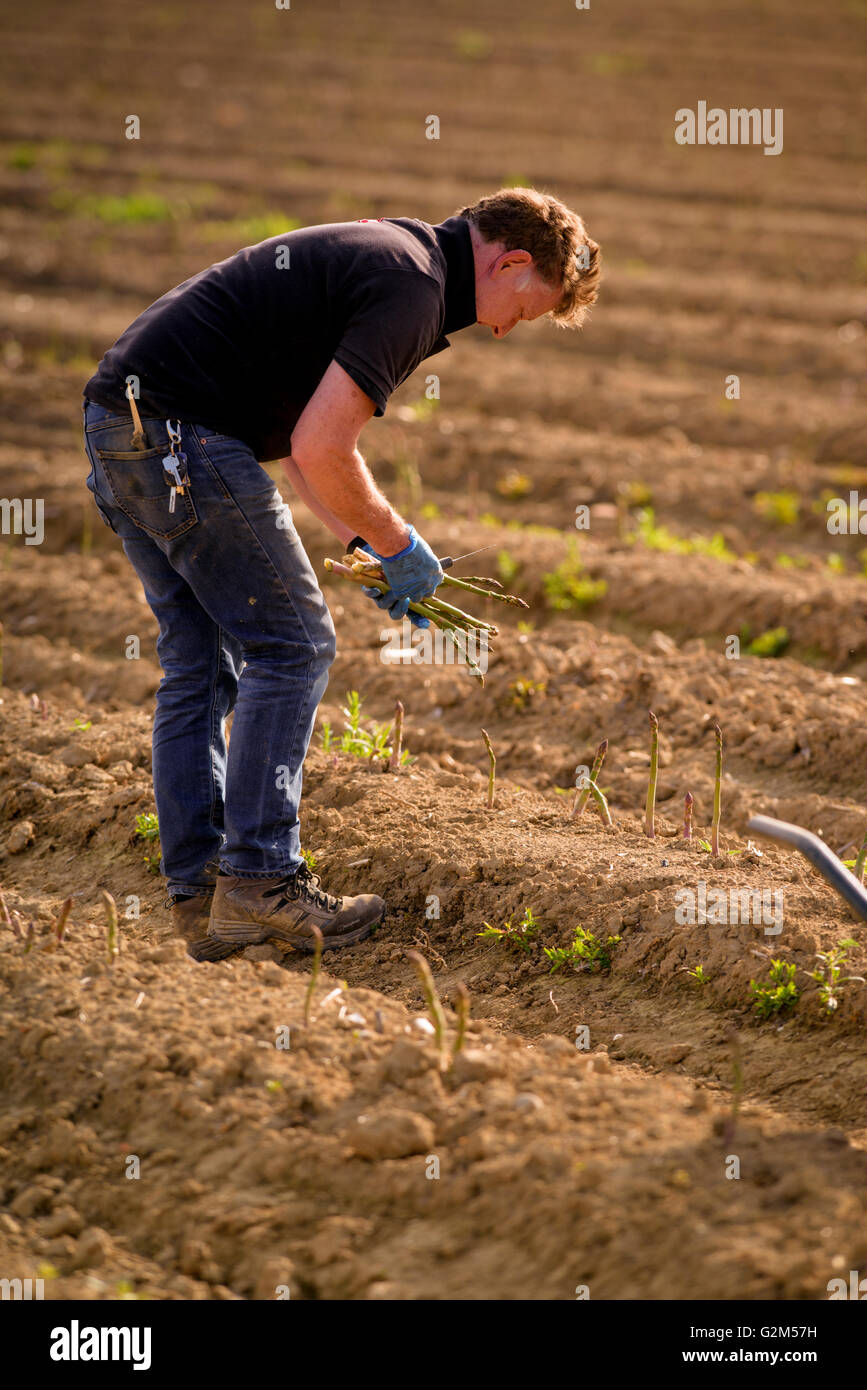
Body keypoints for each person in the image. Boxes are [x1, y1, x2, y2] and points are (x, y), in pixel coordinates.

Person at [81, 187, 601, 962]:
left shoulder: (393, 256)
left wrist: (364, 545)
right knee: (293, 648)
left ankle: (203, 891)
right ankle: (261, 880)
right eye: (524, 308)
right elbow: (325, 445)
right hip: (184, 439)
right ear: (509, 260)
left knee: (200, 664)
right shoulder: (413, 288)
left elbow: (294, 437)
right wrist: (399, 544)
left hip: (123, 427)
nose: (506, 327)